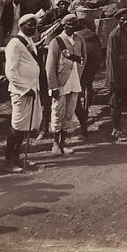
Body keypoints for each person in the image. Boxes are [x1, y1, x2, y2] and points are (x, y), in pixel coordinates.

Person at [3, 13, 43, 172]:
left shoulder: (29, 41)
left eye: (35, 25)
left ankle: (17, 158)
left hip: (32, 90)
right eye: (30, 25)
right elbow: (10, 72)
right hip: (21, 92)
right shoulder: (14, 43)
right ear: (21, 25)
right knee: (17, 125)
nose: (33, 28)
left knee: (25, 126)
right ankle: (9, 160)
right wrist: (25, 89)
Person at [46, 13, 86, 155]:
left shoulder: (80, 39)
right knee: (57, 112)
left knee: (69, 114)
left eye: (74, 24)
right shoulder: (56, 42)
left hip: (74, 80)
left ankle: (63, 143)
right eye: (69, 24)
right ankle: (55, 144)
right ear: (63, 25)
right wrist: (53, 86)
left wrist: (79, 73)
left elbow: (83, 58)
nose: (72, 27)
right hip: (61, 82)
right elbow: (50, 66)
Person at [105, 9, 127, 142]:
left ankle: (120, 127)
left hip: (125, 72)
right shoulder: (113, 35)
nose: (125, 21)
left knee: (121, 101)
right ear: (118, 20)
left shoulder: (126, 32)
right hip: (116, 73)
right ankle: (115, 130)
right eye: (122, 19)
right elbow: (111, 58)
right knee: (115, 102)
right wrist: (113, 79)